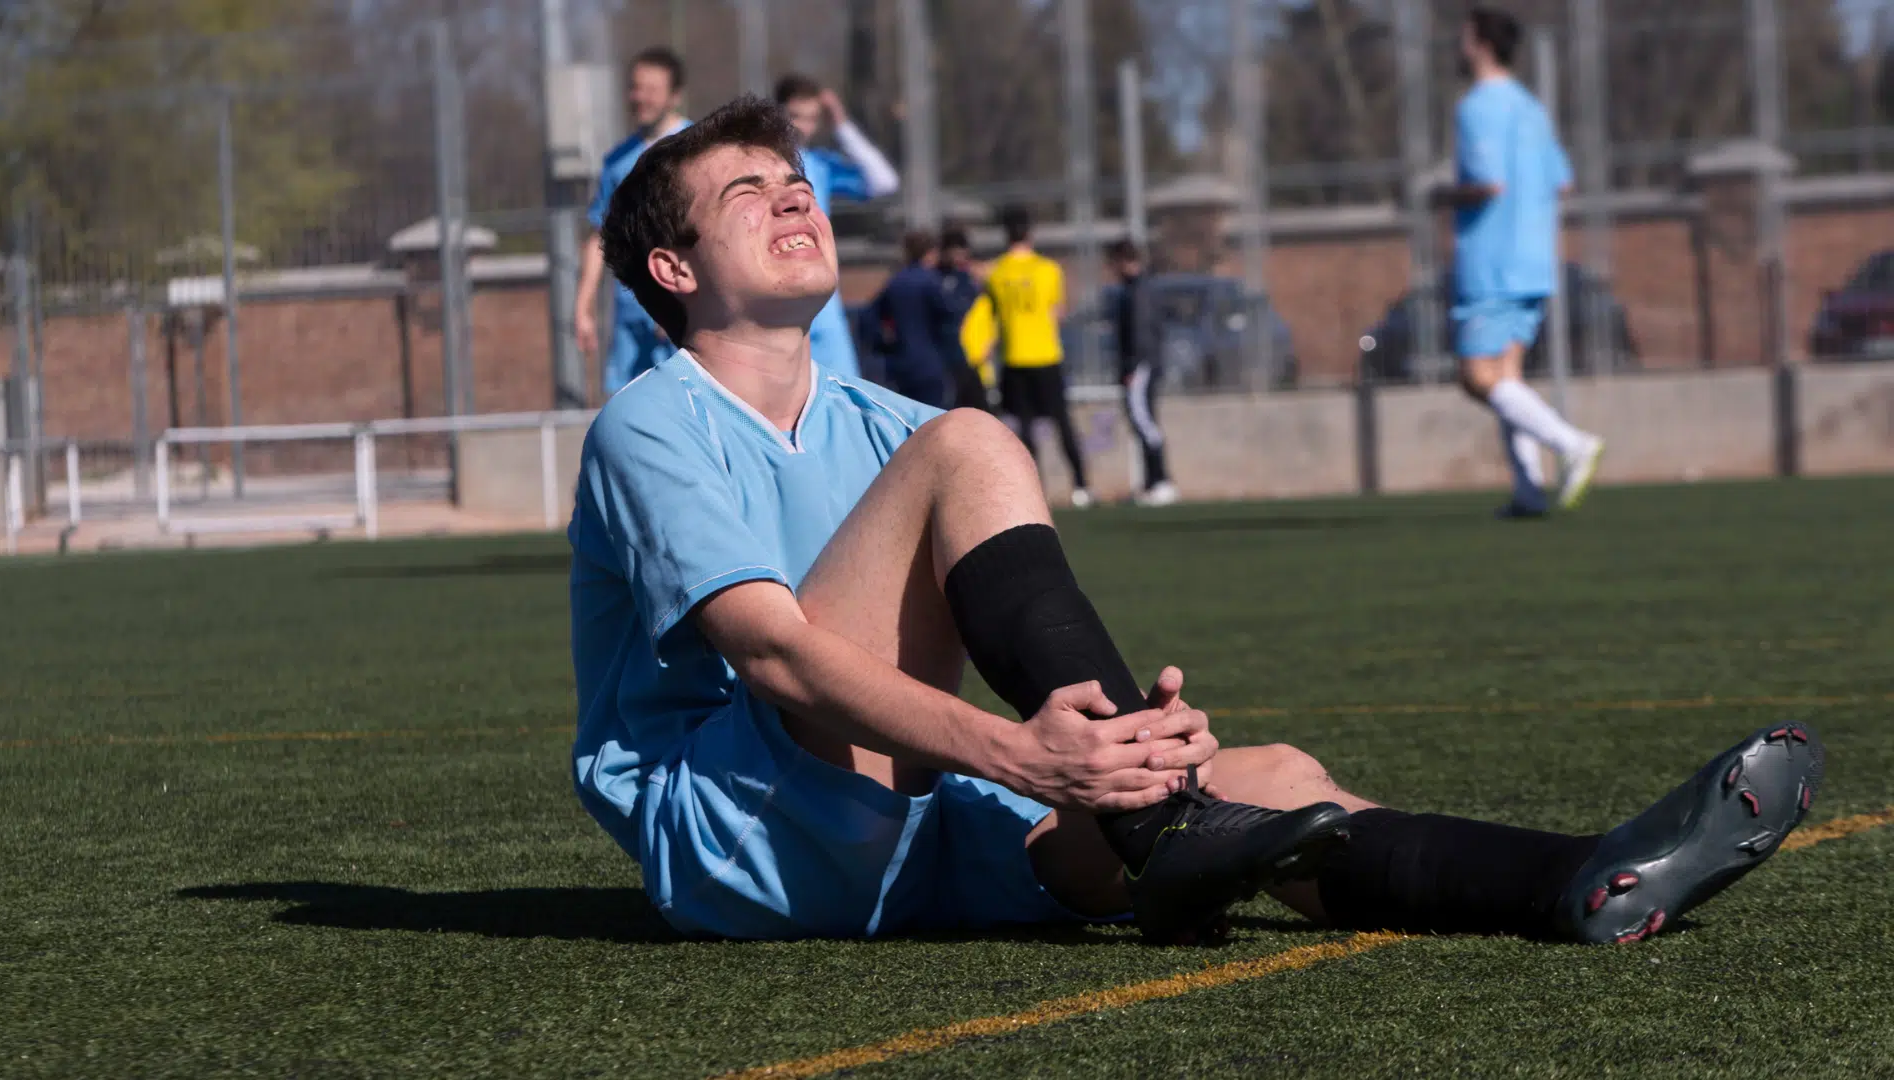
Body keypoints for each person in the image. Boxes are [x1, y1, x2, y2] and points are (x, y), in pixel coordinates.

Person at [572, 96, 1827, 948]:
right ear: (673, 270)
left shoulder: (882, 419)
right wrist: (1028, 757)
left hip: (916, 830)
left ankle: (1576, 881)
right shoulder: (651, 421)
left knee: (1276, 786)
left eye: (801, 182)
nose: (797, 201)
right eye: (749, 192)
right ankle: (1154, 818)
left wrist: (1127, 748)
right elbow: (776, 653)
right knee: (972, 443)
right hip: (741, 833)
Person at [1440, 6, 1604, 518]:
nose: (1459, 49)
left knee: (1476, 377)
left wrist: (1440, 197)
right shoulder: (1532, 108)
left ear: (1481, 46)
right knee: (1506, 375)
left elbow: (1488, 183)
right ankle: (1528, 492)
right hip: (1535, 257)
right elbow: (1562, 181)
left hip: (1493, 260)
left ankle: (1572, 444)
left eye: (1465, 40)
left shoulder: (1477, 107)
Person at [576, 47, 692, 393]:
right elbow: (601, 236)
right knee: (625, 411)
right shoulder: (616, 160)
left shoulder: (697, 149)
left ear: (675, 96)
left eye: (651, 90)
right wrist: (583, 307)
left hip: (686, 313)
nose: (640, 98)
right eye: (635, 88)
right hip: (630, 315)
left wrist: (678, 299)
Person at [775, 74, 900, 383]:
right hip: (776, 294)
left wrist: (841, 124)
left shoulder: (820, 164)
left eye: (812, 118)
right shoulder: (758, 163)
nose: (802, 126)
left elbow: (884, 181)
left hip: (822, 298)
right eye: (794, 116)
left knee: (842, 389)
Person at [983, 206, 1091, 508]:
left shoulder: (996, 273)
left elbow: (990, 315)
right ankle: (1082, 486)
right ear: (1030, 234)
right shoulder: (1049, 269)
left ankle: (1034, 490)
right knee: (1062, 422)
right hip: (1046, 355)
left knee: (1024, 428)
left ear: (1006, 235)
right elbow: (1058, 311)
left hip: (1014, 359)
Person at [1107, 240, 1178, 507]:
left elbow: (1139, 331)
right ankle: (1152, 483)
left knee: (1144, 421)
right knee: (1142, 420)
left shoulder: (1138, 290)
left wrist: (1132, 366)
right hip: (1143, 363)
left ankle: (1161, 481)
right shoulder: (1137, 288)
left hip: (1141, 365)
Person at [870, 230, 953, 408]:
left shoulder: (895, 282)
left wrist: (883, 345)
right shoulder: (932, 281)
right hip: (930, 362)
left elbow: (870, 317)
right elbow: (949, 316)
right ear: (930, 252)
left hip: (901, 363)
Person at [936, 224, 991, 412]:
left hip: (970, 356)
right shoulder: (938, 279)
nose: (958, 256)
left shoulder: (970, 280)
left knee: (980, 410)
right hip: (948, 356)